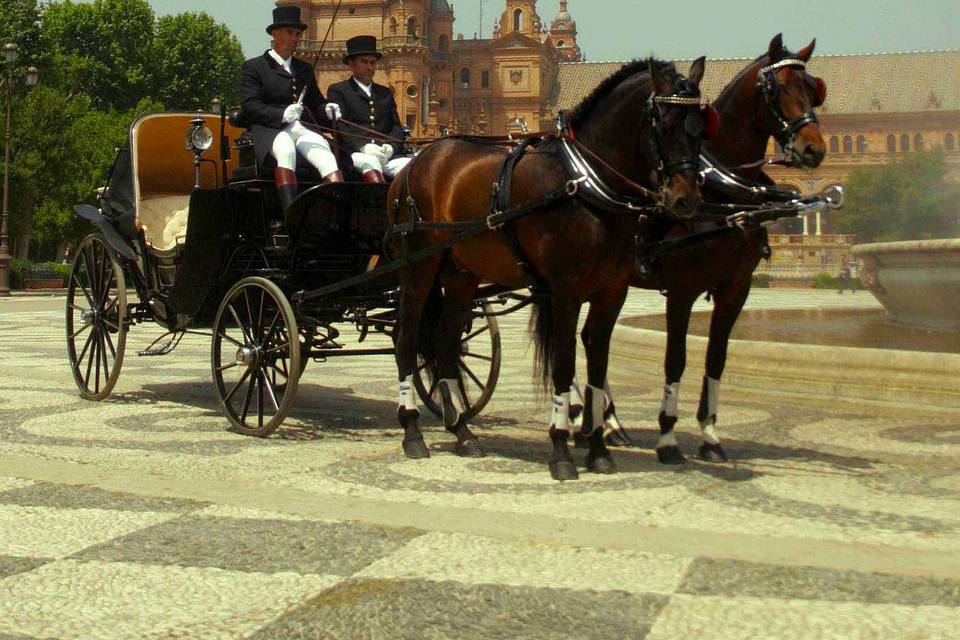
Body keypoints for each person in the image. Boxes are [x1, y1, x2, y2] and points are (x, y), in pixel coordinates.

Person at [240, 6, 344, 212]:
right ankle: (291, 216)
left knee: (326, 155)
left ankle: (336, 214)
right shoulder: (255, 67)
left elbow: (316, 104)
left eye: (297, 34)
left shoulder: (304, 68)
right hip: (271, 130)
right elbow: (249, 105)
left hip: (301, 128)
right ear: (274, 34)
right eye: (290, 32)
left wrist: (327, 110)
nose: (295, 38)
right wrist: (281, 114)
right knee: (286, 150)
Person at [326, 36, 412, 183]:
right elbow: (340, 128)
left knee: (414, 169)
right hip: (357, 154)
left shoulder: (385, 93)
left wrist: (391, 146)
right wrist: (364, 146)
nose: (370, 67)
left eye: (373, 62)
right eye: (364, 62)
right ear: (351, 64)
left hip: (386, 154)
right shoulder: (338, 91)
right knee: (372, 165)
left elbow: (396, 126)